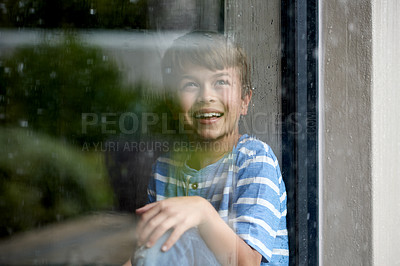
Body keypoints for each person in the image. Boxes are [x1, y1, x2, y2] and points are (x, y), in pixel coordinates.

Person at [126, 31, 288, 265]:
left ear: (245, 101)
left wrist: (202, 212)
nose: (206, 96)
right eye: (191, 84)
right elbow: (151, 251)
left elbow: (248, 262)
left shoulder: (254, 161)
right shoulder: (165, 169)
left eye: (221, 82)